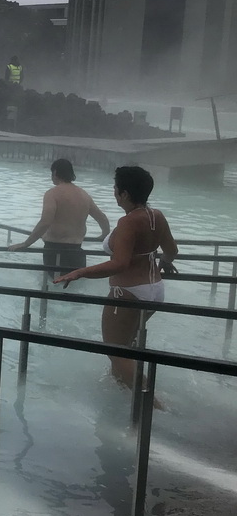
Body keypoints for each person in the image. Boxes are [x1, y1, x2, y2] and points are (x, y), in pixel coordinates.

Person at [55, 166, 178, 392]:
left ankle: (154, 408)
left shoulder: (129, 222)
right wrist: (165, 263)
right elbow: (171, 250)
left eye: (116, 188)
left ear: (125, 194)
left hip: (128, 292)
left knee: (115, 350)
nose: (114, 192)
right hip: (155, 289)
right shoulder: (156, 215)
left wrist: (80, 272)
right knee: (125, 348)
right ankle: (124, 399)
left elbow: (120, 263)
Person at [8, 158, 111, 271]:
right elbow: (102, 218)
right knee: (75, 285)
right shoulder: (84, 195)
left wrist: (26, 243)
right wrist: (103, 236)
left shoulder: (52, 194)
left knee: (52, 284)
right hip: (77, 251)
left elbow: (45, 222)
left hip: (55, 251)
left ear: (55, 173)